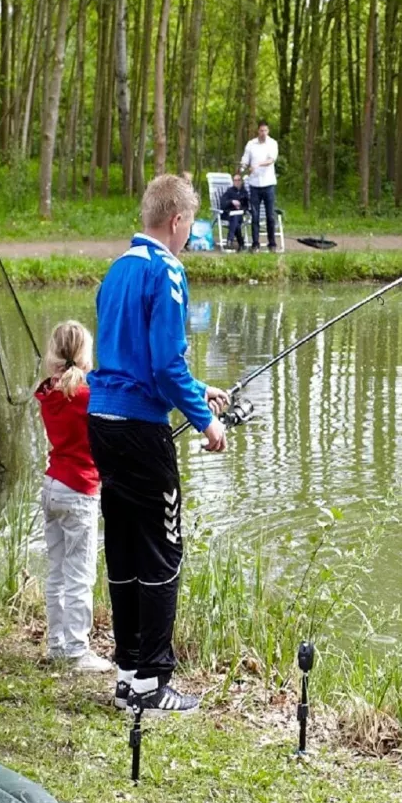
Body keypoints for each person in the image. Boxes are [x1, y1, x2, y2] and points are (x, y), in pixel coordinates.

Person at [89, 174, 230, 713]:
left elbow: (136, 361)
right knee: (163, 549)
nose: (189, 234)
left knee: (123, 547)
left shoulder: (118, 269)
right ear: (176, 221)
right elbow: (166, 364)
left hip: (103, 420)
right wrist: (204, 421)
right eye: (190, 225)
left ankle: (127, 674)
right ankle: (153, 682)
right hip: (142, 431)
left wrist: (198, 390)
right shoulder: (167, 271)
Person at [37, 320, 113, 674]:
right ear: (86, 355)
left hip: (51, 486)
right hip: (80, 490)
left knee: (56, 572)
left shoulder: (48, 392)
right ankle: (77, 650)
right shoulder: (88, 394)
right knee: (80, 573)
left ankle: (56, 643)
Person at [239, 120, 279, 252]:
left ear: (268, 131)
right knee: (254, 215)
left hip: (268, 184)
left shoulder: (272, 143)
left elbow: (271, 160)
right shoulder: (251, 144)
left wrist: (257, 164)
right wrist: (243, 167)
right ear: (258, 131)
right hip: (254, 184)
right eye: (261, 131)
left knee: (270, 215)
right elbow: (244, 160)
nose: (263, 133)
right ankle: (255, 244)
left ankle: (272, 243)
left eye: (265, 131)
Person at [219, 172, 248, 253]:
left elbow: (247, 206)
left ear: (241, 181)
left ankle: (230, 239)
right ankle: (241, 244)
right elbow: (222, 204)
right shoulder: (229, 191)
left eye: (238, 180)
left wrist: (240, 207)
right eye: (234, 180)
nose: (236, 182)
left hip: (239, 215)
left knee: (235, 217)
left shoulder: (244, 193)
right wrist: (231, 202)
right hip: (228, 215)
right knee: (235, 222)